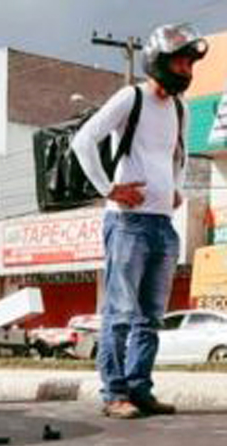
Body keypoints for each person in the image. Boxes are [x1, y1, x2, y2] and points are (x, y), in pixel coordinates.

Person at [72, 23, 207, 419]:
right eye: (182, 62)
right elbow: (83, 140)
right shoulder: (130, 98)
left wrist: (177, 187)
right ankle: (114, 394)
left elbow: (179, 155)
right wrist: (107, 189)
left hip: (164, 225)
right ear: (160, 61)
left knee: (149, 317)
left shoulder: (181, 109)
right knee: (119, 313)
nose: (187, 70)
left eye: (190, 63)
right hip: (127, 223)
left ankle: (139, 388)